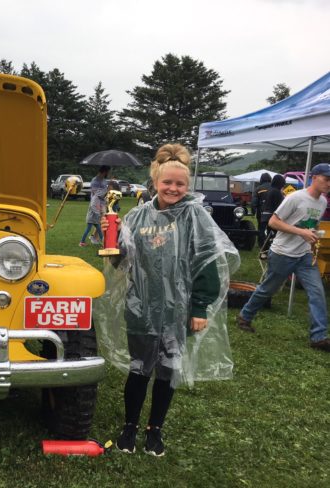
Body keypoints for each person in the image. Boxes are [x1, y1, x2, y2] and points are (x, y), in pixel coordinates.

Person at [95, 143, 239, 457]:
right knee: (138, 369)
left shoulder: (195, 215)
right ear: (155, 183)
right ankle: (130, 426)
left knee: (166, 370)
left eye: (180, 183)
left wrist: (200, 306)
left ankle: (154, 429)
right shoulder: (138, 215)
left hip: (178, 309)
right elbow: (123, 261)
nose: (173, 188)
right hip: (142, 307)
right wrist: (111, 238)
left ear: (188, 186)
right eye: (167, 182)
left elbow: (206, 260)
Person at [237, 163, 330, 352]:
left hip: (304, 255)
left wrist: (312, 238)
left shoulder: (323, 202)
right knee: (267, 290)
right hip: (282, 253)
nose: (329, 184)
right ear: (314, 177)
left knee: (317, 293)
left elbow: (311, 224)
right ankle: (244, 316)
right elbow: (273, 222)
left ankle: (319, 337)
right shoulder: (296, 198)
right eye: (327, 179)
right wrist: (300, 232)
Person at [79, 166, 109, 246]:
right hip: (92, 217)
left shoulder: (99, 197)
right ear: (104, 172)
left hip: (95, 215)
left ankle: (103, 242)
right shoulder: (95, 198)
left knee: (99, 228)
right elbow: (93, 206)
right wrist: (98, 213)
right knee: (89, 229)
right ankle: (82, 242)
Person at [253, 172, 272, 246]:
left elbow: (254, 201)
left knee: (261, 228)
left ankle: (261, 244)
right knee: (271, 229)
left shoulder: (258, 189)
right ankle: (269, 243)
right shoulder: (274, 188)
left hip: (261, 213)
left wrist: (253, 211)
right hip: (273, 213)